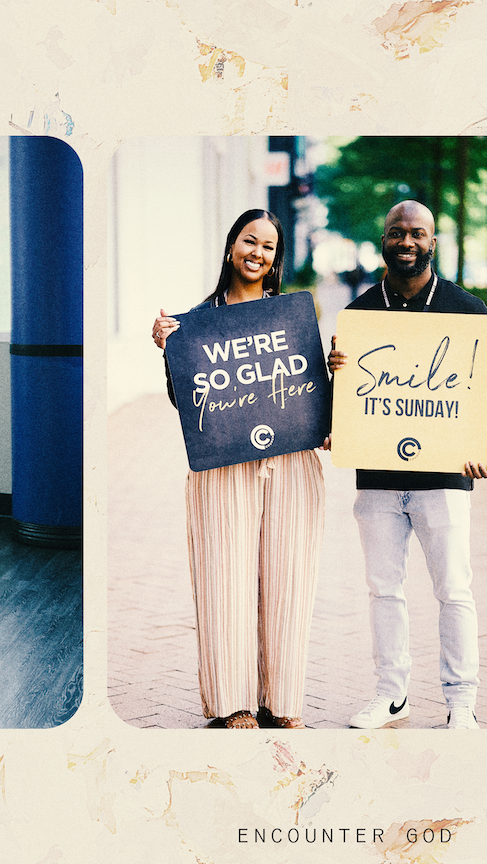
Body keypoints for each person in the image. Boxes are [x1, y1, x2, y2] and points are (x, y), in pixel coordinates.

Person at [327, 200, 487, 730]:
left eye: (418, 234)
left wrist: (482, 442)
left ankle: (461, 703)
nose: (407, 242)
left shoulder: (469, 311)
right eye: (396, 233)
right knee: (384, 588)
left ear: (433, 242)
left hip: (446, 475)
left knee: (453, 588)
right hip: (378, 478)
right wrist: (335, 371)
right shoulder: (358, 315)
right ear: (383, 240)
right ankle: (390, 695)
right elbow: (344, 403)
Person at [151, 208, 324, 730]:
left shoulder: (292, 319)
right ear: (231, 246)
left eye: (269, 247)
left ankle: (282, 700)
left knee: (290, 578)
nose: (259, 254)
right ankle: (232, 702)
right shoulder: (196, 322)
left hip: (291, 461)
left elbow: (311, 396)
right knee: (223, 575)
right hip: (223, 464)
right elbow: (187, 403)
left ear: (276, 260)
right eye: (251, 241)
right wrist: (169, 349)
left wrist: (332, 371)